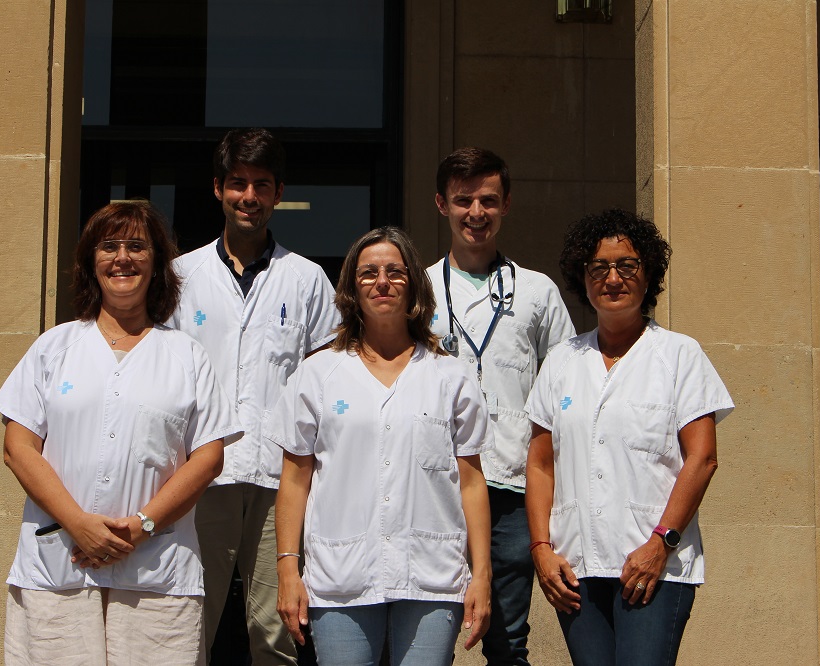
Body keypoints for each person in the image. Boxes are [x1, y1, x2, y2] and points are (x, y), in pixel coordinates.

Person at [0, 200, 242, 665]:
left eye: (136, 246)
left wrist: (142, 526)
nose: (122, 258)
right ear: (92, 261)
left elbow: (208, 458)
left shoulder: (186, 356)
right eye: (108, 247)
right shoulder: (55, 346)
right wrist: (77, 523)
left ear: (157, 264)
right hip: (59, 566)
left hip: (156, 571)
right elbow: (17, 447)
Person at [270, 227, 493, 666]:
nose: (382, 282)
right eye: (368, 273)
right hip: (339, 577)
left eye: (395, 271)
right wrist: (287, 568)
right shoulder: (318, 373)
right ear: (353, 287)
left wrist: (481, 572)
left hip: (432, 574)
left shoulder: (451, 375)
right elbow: (295, 479)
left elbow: (470, 481)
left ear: (413, 283)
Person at [524, 208, 735, 665]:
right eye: (599, 267)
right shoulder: (561, 360)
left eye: (627, 265)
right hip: (575, 567)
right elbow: (541, 464)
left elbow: (703, 459)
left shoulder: (679, 355)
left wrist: (662, 542)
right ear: (583, 277)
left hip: (654, 566)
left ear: (649, 275)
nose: (612, 278)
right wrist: (541, 548)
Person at [169, 127, 339, 662]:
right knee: (189, 621)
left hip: (278, 478)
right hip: (202, 475)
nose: (249, 196)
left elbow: (328, 378)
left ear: (278, 193)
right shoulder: (181, 276)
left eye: (261, 185)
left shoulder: (308, 279)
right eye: (238, 183)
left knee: (277, 632)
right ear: (217, 189)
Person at [428, 147, 576, 665]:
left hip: (511, 486)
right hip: (434, 486)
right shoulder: (417, 289)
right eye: (463, 200)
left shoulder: (536, 292)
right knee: (427, 636)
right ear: (441, 204)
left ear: (506, 205)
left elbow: (566, 390)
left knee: (509, 639)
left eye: (488, 200)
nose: (476, 213)